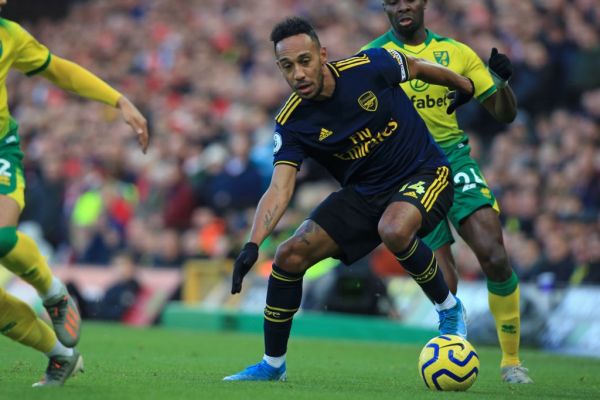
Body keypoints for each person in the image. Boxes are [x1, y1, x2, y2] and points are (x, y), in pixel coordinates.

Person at [224, 16, 475, 381]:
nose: (298, 74)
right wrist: (252, 244)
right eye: (287, 66)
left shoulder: (370, 66)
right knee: (289, 256)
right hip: (363, 194)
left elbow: (418, 67)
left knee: (394, 228)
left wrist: (463, 85)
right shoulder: (292, 122)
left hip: (424, 172)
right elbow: (280, 187)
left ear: (322, 54)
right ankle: (272, 365)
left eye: (305, 61)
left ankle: (450, 310)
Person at [362, 0, 531, 384]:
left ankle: (511, 362)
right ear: (385, 7)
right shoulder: (370, 57)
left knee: (492, 253)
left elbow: (504, 113)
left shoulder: (456, 53)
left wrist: (501, 82)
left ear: (423, 3)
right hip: (407, 172)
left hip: (453, 159)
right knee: (443, 279)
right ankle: (452, 348)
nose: (403, 6)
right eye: (393, 0)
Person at [0, 2, 149, 387]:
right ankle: (61, 356)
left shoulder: (10, 35)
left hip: (0, 150)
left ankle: (54, 293)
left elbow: (59, 69)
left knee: (0, 236)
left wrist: (119, 99)